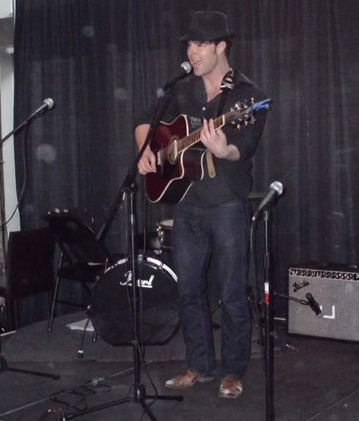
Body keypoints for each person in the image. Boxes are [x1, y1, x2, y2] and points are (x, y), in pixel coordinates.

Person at [134, 11, 268, 399]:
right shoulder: (181, 89)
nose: (192, 52)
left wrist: (222, 147)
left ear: (220, 46)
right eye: (189, 44)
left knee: (230, 292)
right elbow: (145, 121)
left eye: (200, 45)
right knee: (188, 291)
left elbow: (240, 150)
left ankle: (233, 371)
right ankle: (199, 365)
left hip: (226, 204)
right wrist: (147, 152)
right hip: (186, 205)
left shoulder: (246, 96)